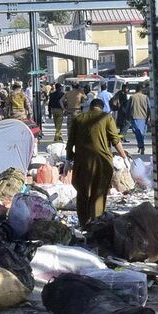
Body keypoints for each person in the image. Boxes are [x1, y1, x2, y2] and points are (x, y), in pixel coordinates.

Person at [65, 94, 127, 225]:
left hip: (82, 162)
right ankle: (96, 222)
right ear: (102, 107)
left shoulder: (79, 118)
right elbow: (115, 140)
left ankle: (83, 222)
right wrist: (123, 156)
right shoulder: (106, 117)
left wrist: (68, 158)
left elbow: (70, 142)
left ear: (91, 107)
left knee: (82, 192)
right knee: (98, 191)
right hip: (102, 162)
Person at [128, 84, 151, 150]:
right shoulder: (146, 97)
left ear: (136, 89)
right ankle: (141, 145)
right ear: (142, 90)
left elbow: (128, 108)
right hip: (144, 117)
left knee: (138, 133)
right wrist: (149, 117)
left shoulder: (132, 97)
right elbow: (149, 108)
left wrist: (127, 116)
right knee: (142, 133)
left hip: (135, 117)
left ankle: (141, 145)